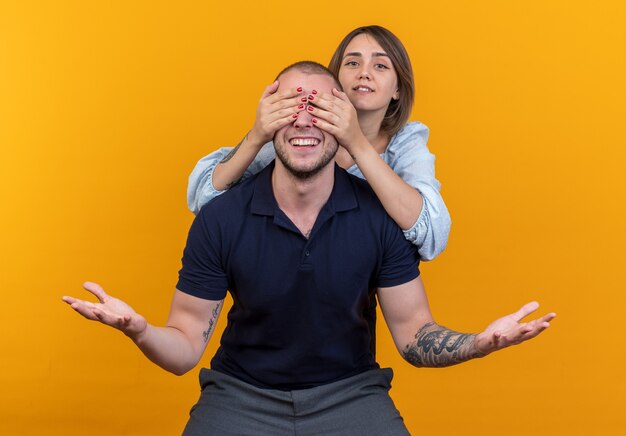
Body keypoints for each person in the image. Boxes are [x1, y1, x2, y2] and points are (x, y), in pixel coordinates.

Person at [63, 62, 555, 435]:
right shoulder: (221, 215)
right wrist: (140, 329)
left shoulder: (381, 214)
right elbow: (186, 346)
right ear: (267, 119)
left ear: (342, 120)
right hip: (239, 398)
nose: (304, 121)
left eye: (319, 108)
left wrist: (478, 344)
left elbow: (413, 333)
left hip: (351, 396)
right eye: (289, 107)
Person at [187, 25, 451, 261]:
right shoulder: (303, 134)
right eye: (352, 63)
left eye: (380, 66)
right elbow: (204, 200)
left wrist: (356, 142)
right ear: (334, 78)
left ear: (398, 90)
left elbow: (432, 235)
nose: (364, 74)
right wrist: (257, 135)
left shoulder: (406, 143)